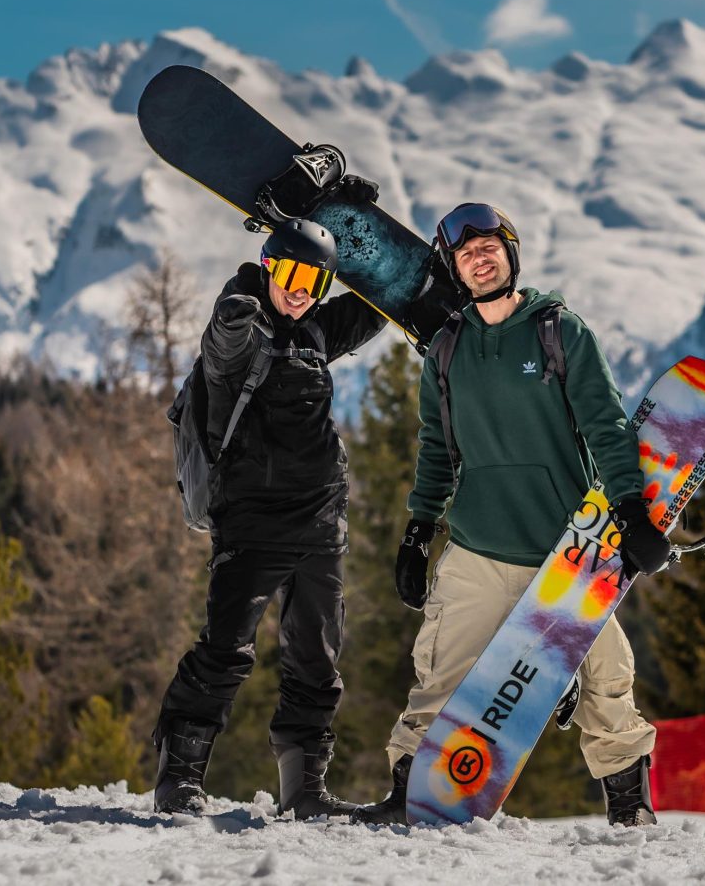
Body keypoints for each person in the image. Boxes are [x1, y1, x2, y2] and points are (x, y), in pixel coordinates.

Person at [353, 202, 670, 828]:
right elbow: (436, 449)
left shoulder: (559, 330)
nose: (480, 255)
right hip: (476, 548)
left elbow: (607, 427)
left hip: (567, 553)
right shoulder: (445, 350)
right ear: (455, 269)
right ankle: (408, 794)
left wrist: (632, 511)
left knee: (609, 681)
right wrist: (419, 531)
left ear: (511, 251)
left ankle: (629, 809)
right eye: (466, 252)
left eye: (490, 244)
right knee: (438, 679)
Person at [152, 219, 388, 819]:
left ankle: (304, 790)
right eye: (289, 273)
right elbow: (225, 340)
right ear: (268, 267)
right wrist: (242, 305)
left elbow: (378, 303)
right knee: (226, 650)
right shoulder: (237, 326)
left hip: (320, 522)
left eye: (314, 278)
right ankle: (179, 778)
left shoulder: (314, 329)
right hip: (252, 522)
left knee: (316, 658)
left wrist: (347, 225)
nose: (301, 288)